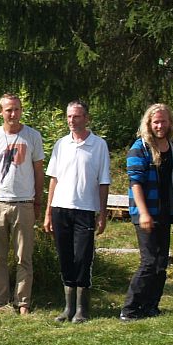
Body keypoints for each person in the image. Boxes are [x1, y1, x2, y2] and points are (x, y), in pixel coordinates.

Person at [0, 94, 45, 315]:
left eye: (16, 109)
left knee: (24, 257)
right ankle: (0, 301)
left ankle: (23, 302)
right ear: (0, 112)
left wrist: (38, 201)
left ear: (21, 110)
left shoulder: (32, 136)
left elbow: (39, 171)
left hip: (24, 203)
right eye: (8, 110)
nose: (13, 114)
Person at [43, 101, 111, 323]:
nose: (72, 120)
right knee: (65, 257)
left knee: (82, 257)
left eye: (77, 116)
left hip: (85, 209)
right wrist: (48, 212)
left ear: (86, 118)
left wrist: (102, 213)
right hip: (60, 208)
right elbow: (54, 179)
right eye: (69, 116)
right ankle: (68, 307)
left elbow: (103, 181)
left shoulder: (98, 145)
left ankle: (82, 308)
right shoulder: (61, 144)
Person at [119, 103, 173, 321]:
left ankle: (151, 306)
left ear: (170, 123)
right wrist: (144, 213)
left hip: (165, 212)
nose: (160, 126)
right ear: (148, 123)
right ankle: (130, 309)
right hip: (145, 212)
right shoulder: (140, 148)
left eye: (163, 121)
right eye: (156, 122)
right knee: (149, 262)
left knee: (161, 263)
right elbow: (135, 183)